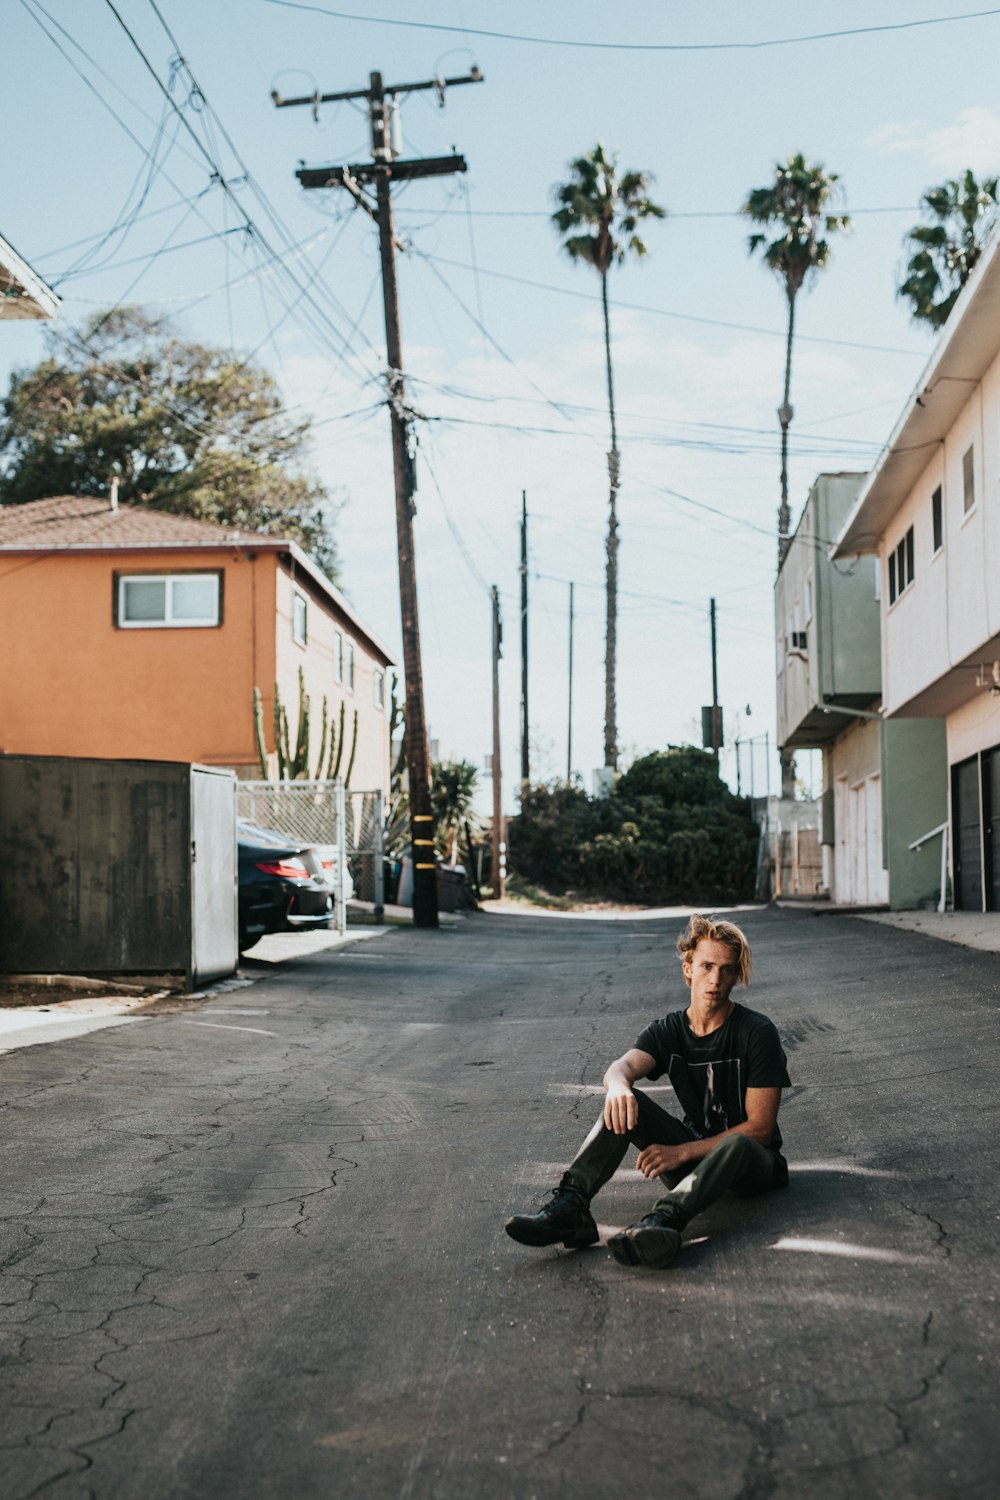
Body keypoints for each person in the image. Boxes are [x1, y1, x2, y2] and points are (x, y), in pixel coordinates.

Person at [504, 914, 791, 1269]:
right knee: (627, 1100)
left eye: (727, 970)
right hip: (694, 1160)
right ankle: (571, 1208)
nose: (715, 979)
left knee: (739, 1141)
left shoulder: (756, 1032)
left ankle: (662, 1222)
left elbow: (761, 1129)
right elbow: (620, 1068)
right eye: (706, 966)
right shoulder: (669, 1030)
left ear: (736, 976)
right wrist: (619, 1088)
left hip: (752, 1168)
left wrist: (681, 1152)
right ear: (688, 968)